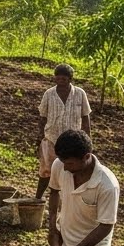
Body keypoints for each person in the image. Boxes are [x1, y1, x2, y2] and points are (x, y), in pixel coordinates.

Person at [36, 64, 91, 200]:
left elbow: (85, 117)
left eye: (64, 79)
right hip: (51, 139)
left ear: (70, 79)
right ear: (55, 78)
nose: (61, 82)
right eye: (58, 79)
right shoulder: (49, 94)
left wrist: (87, 140)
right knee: (46, 171)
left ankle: (69, 199)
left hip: (72, 142)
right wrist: (40, 137)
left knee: (71, 171)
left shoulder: (80, 94)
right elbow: (42, 117)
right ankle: (38, 198)